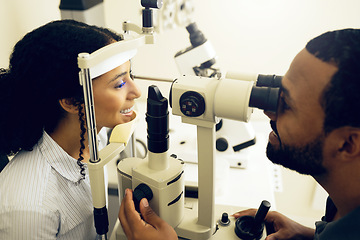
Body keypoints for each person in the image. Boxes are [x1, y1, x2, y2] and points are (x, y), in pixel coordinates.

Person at [119, 28, 360, 240]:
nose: (269, 112)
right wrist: (310, 235)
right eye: (277, 92)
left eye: (287, 105)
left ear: (348, 144)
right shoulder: (344, 207)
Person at [0, 20, 141, 239]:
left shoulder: (97, 136)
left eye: (131, 75)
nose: (137, 92)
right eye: (119, 84)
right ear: (71, 102)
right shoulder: (30, 209)